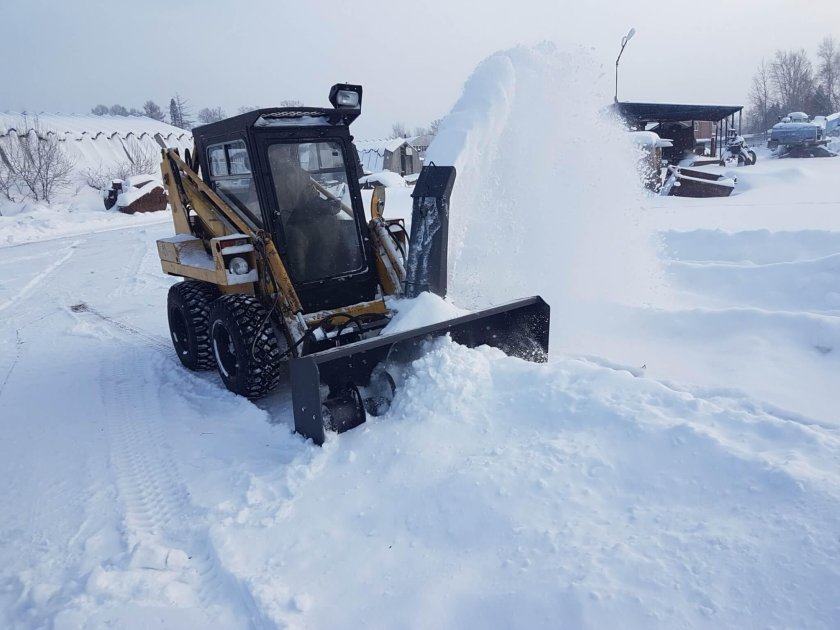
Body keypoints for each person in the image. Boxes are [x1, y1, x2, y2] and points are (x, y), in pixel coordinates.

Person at [269, 144, 343, 281]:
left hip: (299, 219)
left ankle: (322, 273)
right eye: (279, 148)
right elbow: (255, 207)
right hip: (277, 224)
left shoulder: (299, 173)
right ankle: (298, 281)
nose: (285, 150)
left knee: (331, 223)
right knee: (295, 236)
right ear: (270, 153)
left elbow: (310, 196)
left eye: (286, 148)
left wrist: (325, 206)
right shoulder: (263, 176)